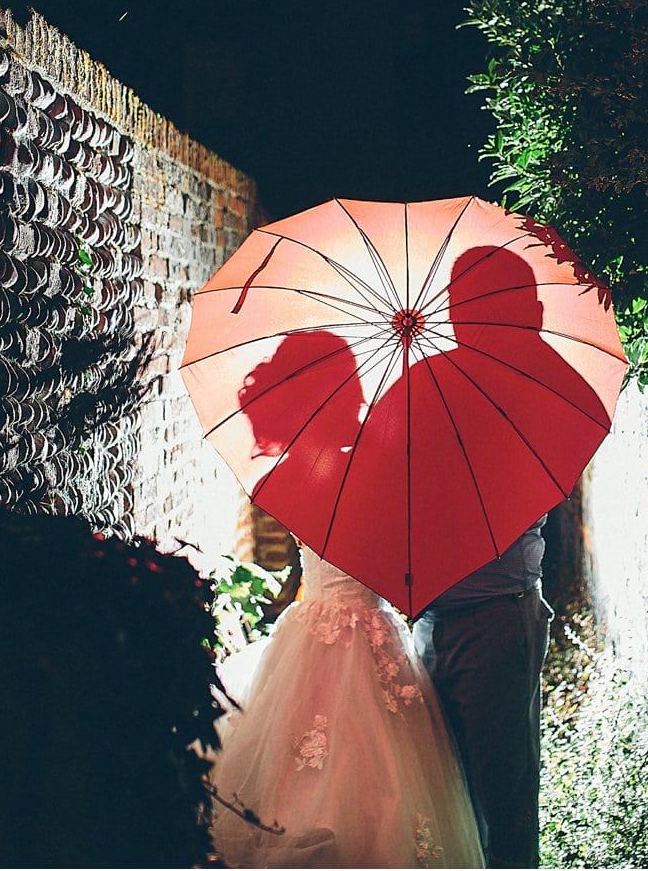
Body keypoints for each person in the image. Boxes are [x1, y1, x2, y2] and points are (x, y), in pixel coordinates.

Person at [370, 246, 613, 869]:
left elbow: (558, 461)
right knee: (445, 795)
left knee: (504, 798)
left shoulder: (538, 382)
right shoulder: (421, 383)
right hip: (428, 616)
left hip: (496, 614)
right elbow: (388, 486)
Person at [208, 332, 483, 869]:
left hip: (308, 628)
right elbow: (396, 558)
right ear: (339, 390)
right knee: (384, 778)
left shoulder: (288, 469)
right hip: (371, 630)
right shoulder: (366, 467)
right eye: (353, 381)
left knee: (294, 774)